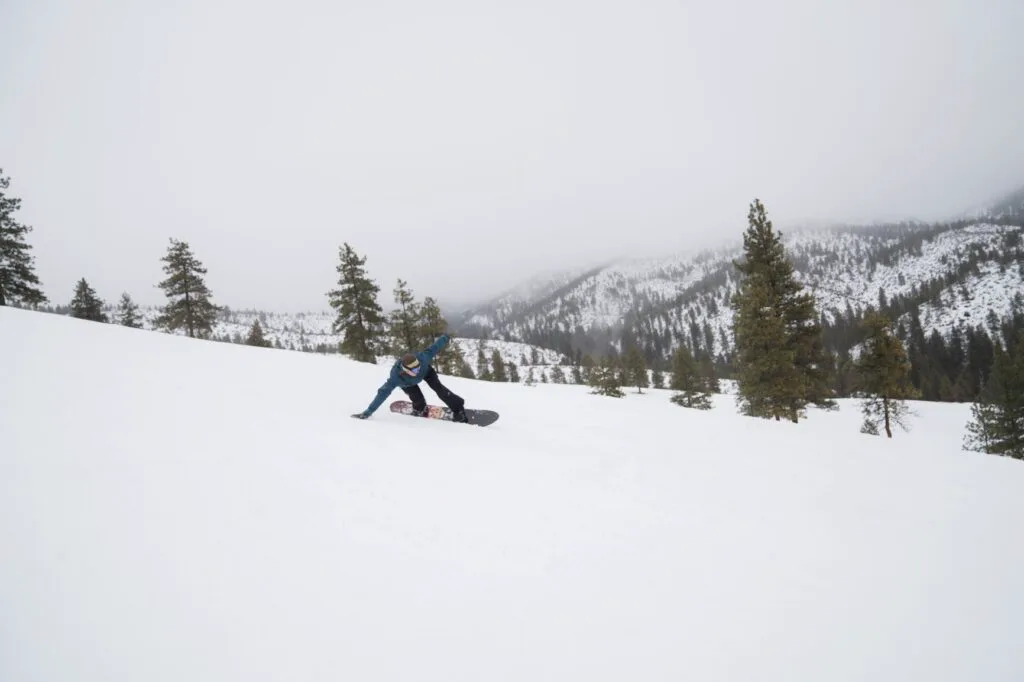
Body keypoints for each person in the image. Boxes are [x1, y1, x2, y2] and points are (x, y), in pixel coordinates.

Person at [351, 333, 468, 422]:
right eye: (414, 370)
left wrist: (445, 337)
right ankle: (419, 408)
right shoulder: (396, 377)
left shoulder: (423, 359)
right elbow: (382, 393)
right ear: (405, 370)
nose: (417, 370)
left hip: (427, 372)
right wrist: (368, 412)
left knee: (439, 389)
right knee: (415, 396)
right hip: (406, 382)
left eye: (418, 367)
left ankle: (459, 409)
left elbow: (434, 347)